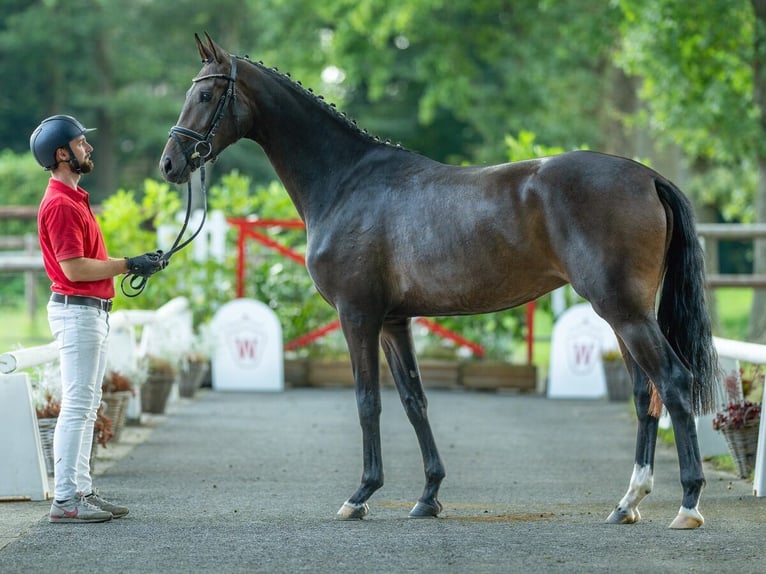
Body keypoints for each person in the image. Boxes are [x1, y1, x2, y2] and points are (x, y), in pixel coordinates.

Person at [30, 114, 166, 523]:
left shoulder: (74, 199)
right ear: (62, 154)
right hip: (79, 313)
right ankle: (66, 499)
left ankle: (80, 490)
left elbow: (83, 262)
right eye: (80, 143)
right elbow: (73, 270)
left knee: (87, 406)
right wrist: (128, 264)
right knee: (77, 406)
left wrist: (135, 264)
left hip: (89, 313)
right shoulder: (60, 205)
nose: (88, 147)